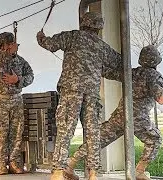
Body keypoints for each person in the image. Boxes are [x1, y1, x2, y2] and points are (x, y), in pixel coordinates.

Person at [37, 11, 122, 180]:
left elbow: (49, 44)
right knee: (93, 134)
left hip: (71, 92)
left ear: (83, 23)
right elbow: (119, 62)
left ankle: (59, 172)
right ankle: (92, 173)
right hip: (92, 95)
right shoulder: (102, 46)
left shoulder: (72, 36)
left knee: (65, 131)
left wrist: (40, 36)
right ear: (98, 28)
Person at [65, 45, 163, 180]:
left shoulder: (132, 72)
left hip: (121, 115)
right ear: (156, 61)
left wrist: (91, 66)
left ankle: (70, 164)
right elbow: (160, 99)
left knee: (98, 139)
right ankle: (139, 171)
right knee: (155, 139)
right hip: (138, 117)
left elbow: (110, 73)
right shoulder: (155, 76)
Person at [0, 32, 34, 175]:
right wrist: (7, 54)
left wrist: (18, 79)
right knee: (1, 134)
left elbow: (31, 76)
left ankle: (13, 162)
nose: (13, 46)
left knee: (16, 134)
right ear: (4, 46)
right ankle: (2, 163)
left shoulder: (20, 61)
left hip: (16, 101)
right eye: (9, 44)